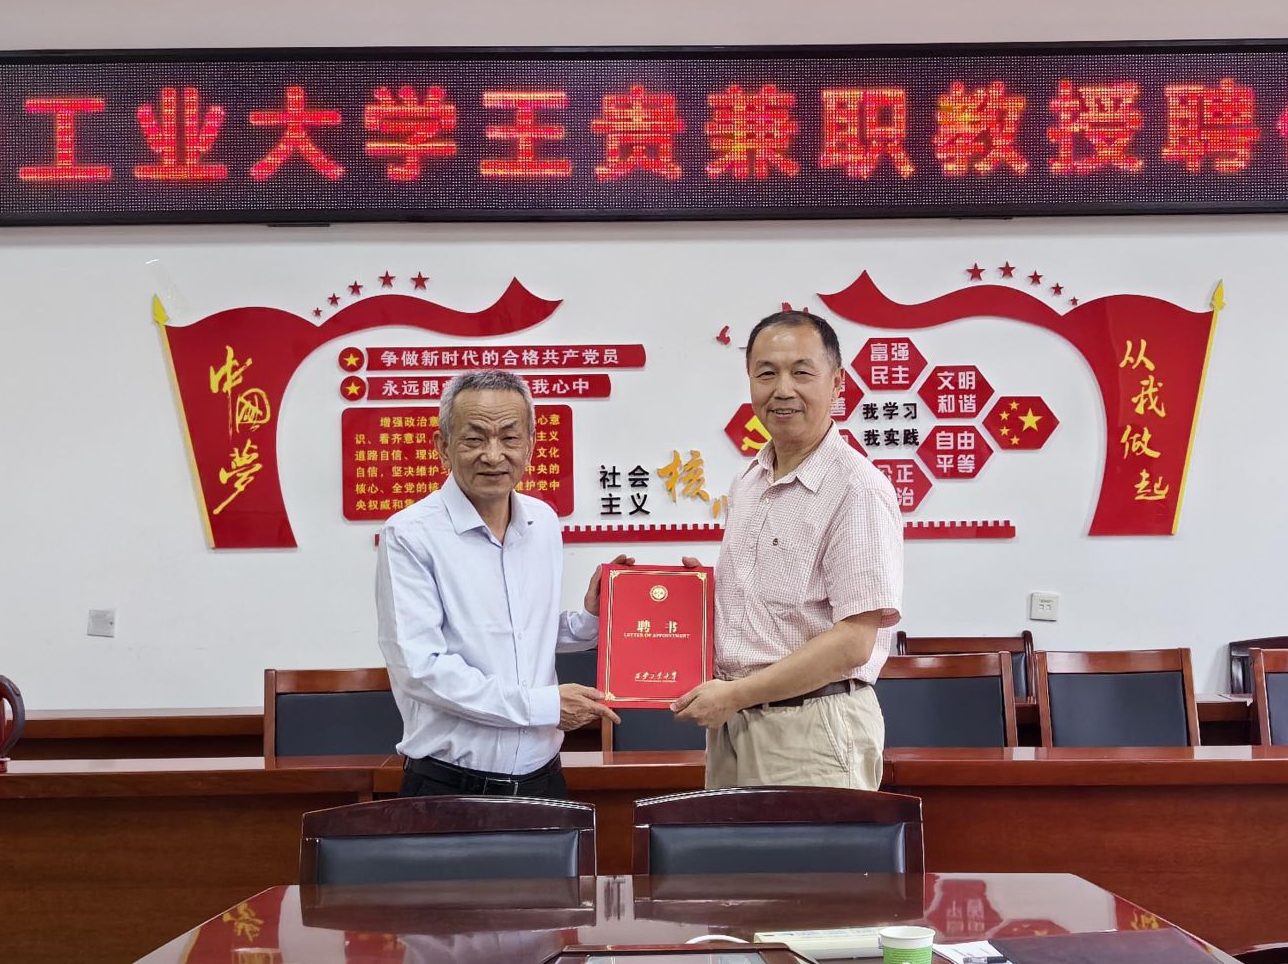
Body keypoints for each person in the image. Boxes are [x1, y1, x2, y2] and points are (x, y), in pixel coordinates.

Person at [667, 309, 904, 788]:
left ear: (837, 384)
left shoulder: (856, 488)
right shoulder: (749, 480)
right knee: (730, 844)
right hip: (735, 724)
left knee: (807, 845)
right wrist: (700, 597)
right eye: (766, 374)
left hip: (812, 729)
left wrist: (736, 695)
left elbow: (852, 643)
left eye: (801, 372)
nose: (783, 390)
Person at [375, 369, 617, 797]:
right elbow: (421, 668)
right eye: (474, 438)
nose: (493, 455)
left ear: (530, 445)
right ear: (443, 446)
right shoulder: (411, 534)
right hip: (450, 785)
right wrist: (542, 705)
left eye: (509, 437)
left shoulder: (542, 522)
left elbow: (523, 634)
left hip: (544, 778)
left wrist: (590, 619)